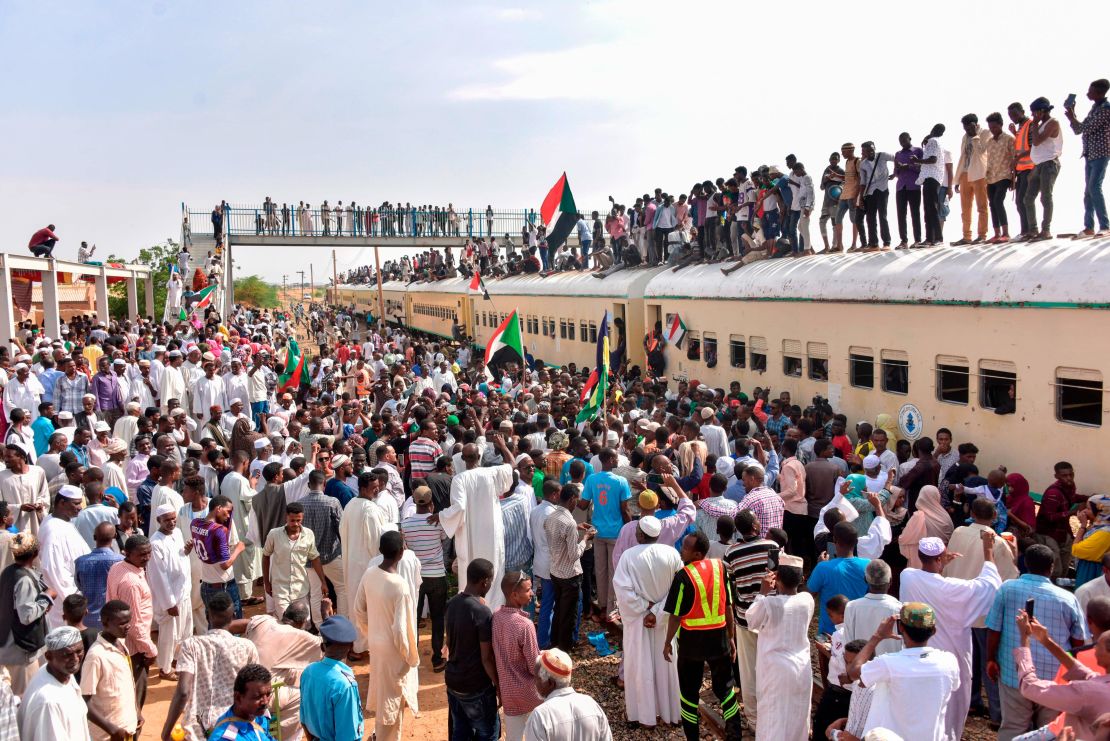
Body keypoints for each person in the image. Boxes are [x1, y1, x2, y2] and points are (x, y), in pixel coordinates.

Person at [900, 532, 1003, 739]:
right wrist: (988, 550)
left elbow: (928, 577)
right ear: (939, 558)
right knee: (952, 705)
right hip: (951, 654)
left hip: (916, 653)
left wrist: (939, 565)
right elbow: (991, 586)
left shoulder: (907, 577)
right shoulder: (953, 589)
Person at [986, 544, 1088, 741]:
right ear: (1051, 567)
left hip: (1013, 674)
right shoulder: (1068, 599)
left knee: (1013, 727)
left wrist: (990, 659)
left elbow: (994, 629)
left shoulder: (1007, 589)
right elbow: (1078, 642)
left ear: (1025, 563)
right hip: (1054, 680)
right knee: (1048, 732)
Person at [663, 530, 742, 741]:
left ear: (697, 554)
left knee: (688, 694)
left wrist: (668, 641)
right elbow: (728, 606)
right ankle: (735, 734)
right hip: (719, 639)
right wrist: (731, 637)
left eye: (686, 548)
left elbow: (675, 616)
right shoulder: (720, 568)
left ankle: (693, 738)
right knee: (726, 689)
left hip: (692, 643)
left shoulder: (683, 576)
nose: (682, 550)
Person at [847, 604, 960, 741]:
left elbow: (853, 673)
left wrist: (877, 636)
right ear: (934, 631)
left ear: (900, 628)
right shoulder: (949, 661)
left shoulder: (888, 663)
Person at [612, 515, 683, 728]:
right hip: (664, 623)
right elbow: (679, 588)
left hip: (638, 622)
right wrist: (659, 611)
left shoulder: (628, 556)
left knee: (639, 666)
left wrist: (645, 609)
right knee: (665, 665)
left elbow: (622, 590)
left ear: (641, 534)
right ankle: (669, 713)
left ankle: (644, 717)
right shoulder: (672, 554)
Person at [162, 591, 260, 741]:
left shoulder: (191, 645)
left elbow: (183, 692)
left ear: (207, 616)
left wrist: (166, 731)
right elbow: (256, 690)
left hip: (196, 730)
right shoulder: (247, 647)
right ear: (233, 616)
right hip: (233, 728)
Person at [351, 530, 419, 740]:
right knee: (392, 702)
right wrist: (409, 656)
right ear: (402, 552)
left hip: (377, 645)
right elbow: (401, 629)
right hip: (394, 650)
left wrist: (371, 633)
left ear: (380, 551)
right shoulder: (399, 585)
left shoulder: (370, 573)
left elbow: (358, 609)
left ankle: (379, 736)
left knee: (385, 697)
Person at [745, 553, 814, 741]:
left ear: (778, 578)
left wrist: (762, 592)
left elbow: (751, 620)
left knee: (773, 717)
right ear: (801, 579)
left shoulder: (769, 603)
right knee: (797, 716)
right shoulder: (807, 600)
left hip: (775, 671)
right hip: (801, 668)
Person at [1013, 609, 1110, 741]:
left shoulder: (1088, 692)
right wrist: (1045, 640)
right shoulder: (1102, 683)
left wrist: (1024, 640)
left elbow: (1030, 687)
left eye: (1098, 645)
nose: (1094, 648)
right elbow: (1082, 672)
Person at [439, 446, 514, 611]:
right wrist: (502, 446)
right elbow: (511, 465)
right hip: (491, 534)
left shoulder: (459, 479)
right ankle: (493, 610)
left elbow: (458, 508)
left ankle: (470, 609)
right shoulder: (492, 473)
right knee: (493, 568)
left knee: (471, 571)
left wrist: (441, 516)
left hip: (470, 534)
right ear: (479, 456)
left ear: (463, 459)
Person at [444, 558, 499, 740]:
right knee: (487, 733)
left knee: (461, 732)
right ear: (485, 582)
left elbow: (450, 643)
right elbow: (486, 658)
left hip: (453, 680)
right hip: (475, 686)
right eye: (490, 581)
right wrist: (498, 686)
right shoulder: (482, 612)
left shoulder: (452, 604)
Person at [337, 471, 388, 653]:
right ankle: (362, 646)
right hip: (367, 565)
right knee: (367, 607)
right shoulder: (370, 509)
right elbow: (376, 541)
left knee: (355, 604)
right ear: (363, 488)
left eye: (378, 487)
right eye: (373, 488)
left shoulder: (350, 505)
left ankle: (357, 644)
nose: (377, 491)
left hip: (352, 564)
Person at [105, 534, 156, 715]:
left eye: (149, 553)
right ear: (127, 553)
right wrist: (149, 649)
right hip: (135, 649)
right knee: (134, 702)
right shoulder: (131, 583)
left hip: (123, 642)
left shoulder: (118, 567)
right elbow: (133, 624)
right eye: (142, 554)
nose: (147, 557)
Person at [580, 447, 631, 623]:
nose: (618, 460)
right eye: (616, 458)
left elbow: (584, 504)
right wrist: (630, 526)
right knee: (613, 571)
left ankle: (602, 606)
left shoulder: (592, 479)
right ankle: (611, 609)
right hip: (615, 532)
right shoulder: (621, 481)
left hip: (598, 532)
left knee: (600, 570)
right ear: (609, 459)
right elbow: (625, 510)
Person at [491, 570, 544, 740]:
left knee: (513, 737)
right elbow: (534, 667)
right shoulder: (525, 625)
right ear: (514, 595)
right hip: (530, 693)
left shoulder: (496, 617)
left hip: (508, 692)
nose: (532, 593)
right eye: (528, 590)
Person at [0, 532, 54, 695]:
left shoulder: (8, 571)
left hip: (10, 645)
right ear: (35, 553)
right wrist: (47, 598)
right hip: (20, 652)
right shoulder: (23, 579)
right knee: (22, 697)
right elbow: (27, 616)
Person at [401, 485, 447, 669]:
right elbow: (443, 538)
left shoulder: (405, 524)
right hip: (436, 575)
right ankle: (437, 659)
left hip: (415, 578)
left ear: (413, 501)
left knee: (413, 618)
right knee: (437, 619)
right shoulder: (437, 522)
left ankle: (413, 659)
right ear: (431, 504)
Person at [80, 599, 139, 741]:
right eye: (122, 623)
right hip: (108, 735)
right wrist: (111, 729)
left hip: (127, 728)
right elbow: (84, 701)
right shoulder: (96, 656)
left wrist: (137, 710)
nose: (127, 626)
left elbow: (126, 684)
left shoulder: (121, 644)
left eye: (128, 621)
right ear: (105, 622)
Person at [523, 648, 613, 741]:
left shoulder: (540, 716)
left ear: (550, 683)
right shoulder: (592, 705)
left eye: (537, 678)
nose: (535, 682)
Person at [545, 483, 593, 653]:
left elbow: (558, 537)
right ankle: (564, 650)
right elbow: (574, 555)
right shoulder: (569, 523)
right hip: (570, 576)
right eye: (576, 500)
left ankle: (555, 643)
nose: (576, 504)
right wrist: (585, 538)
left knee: (558, 610)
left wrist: (576, 529)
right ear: (572, 499)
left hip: (555, 571)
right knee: (569, 616)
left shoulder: (551, 517)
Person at [299, 614, 363, 741]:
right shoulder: (345, 686)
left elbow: (304, 719)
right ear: (350, 646)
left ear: (323, 647)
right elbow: (347, 736)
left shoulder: (308, 671)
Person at [18, 626, 89, 741]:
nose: (75, 659)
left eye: (79, 651)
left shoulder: (64, 673)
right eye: (67, 655)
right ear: (49, 656)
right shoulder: (48, 701)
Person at [148, 502, 194, 681]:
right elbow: (159, 577)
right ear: (159, 520)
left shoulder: (178, 533)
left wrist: (186, 551)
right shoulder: (155, 543)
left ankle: (177, 660)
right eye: (167, 520)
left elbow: (178, 558)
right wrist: (169, 604)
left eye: (174, 518)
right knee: (170, 635)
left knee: (185, 631)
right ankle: (165, 668)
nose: (171, 522)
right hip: (171, 599)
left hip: (184, 592)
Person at [262, 501, 326, 618]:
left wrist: (323, 582)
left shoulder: (309, 534)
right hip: (280, 589)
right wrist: (266, 582)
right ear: (286, 517)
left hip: (301, 589)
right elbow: (265, 556)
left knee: (303, 623)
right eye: (292, 520)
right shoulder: (274, 534)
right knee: (286, 622)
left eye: (298, 520)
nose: (296, 524)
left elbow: (315, 558)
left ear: (302, 518)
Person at [1063, 78, 1110, 237]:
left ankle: (1105, 226)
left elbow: (1085, 128)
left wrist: (1072, 118)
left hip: (1100, 154)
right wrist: (1072, 116)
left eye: (1090, 91)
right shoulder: (1095, 108)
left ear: (1098, 92)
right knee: (1088, 191)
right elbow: (1079, 130)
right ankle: (1089, 227)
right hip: (1090, 154)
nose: (1087, 93)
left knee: (1094, 187)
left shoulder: (1105, 109)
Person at [39, 486, 91, 628]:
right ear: (62, 503)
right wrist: (74, 601)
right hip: (66, 601)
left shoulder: (63, 521)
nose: (80, 507)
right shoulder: (53, 530)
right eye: (76, 503)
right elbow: (54, 570)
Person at [807, 521, 868, 637]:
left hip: (828, 635)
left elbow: (809, 594)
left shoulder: (823, 568)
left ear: (835, 541)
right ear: (856, 542)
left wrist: (819, 565)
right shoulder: (868, 566)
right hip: (857, 631)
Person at [1022, 97, 1064, 241]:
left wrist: (1034, 123)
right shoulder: (1040, 125)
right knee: (1028, 198)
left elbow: (1038, 141)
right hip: (1039, 165)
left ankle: (1046, 230)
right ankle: (1033, 230)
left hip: (1049, 163)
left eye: (1034, 112)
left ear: (1042, 111)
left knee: (1046, 196)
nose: (1033, 115)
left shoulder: (1053, 123)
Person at [843, 559, 903, 656]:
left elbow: (847, 642)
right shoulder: (899, 609)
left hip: (862, 668)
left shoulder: (852, 607)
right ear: (891, 581)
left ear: (865, 579)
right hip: (892, 669)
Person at [204, 663, 278, 741]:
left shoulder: (258, 716)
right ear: (238, 698)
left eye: (268, 694)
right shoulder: (226, 738)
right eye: (257, 697)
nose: (265, 702)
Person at [953, 113, 991, 245]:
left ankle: (982, 235)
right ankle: (966, 236)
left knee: (982, 206)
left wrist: (975, 135)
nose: (967, 130)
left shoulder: (985, 133)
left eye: (969, 127)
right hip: (965, 173)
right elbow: (963, 156)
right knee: (965, 208)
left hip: (979, 173)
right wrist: (957, 179)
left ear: (975, 124)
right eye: (965, 128)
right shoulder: (964, 136)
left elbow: (981, 152)